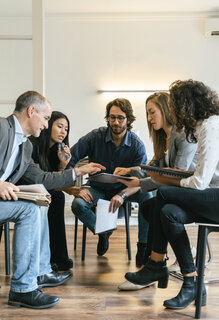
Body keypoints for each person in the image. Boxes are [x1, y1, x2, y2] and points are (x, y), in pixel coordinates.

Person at [0, 91, 105, 309]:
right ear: (31, 111)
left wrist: (77, 171)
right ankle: (23, 288)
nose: (47, 125)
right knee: (29, 210)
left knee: (38, 204)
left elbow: (41, 178)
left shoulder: (25, 146)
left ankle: (37, 274)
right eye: (46, 118)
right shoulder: (2, 128)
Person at [123, 79, 219, 310]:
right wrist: (167, 176)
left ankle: (156, 264)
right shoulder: (202, 126)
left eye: (174, 105)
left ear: (185, 105)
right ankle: (192, 283)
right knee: (164, 211)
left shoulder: (211, 126)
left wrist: (166, 179)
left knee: (164, 194)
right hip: (210, 192)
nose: (172, 111)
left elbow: (199, 181)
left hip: (215, 195)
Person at [115, 92, 197, 289]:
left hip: (193, 191)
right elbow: (152, 168)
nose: (149, 118)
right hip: (175, 193)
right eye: (147, 113)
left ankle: (155, 265)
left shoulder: (183, 135)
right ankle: (158, 263)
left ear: (167, 110)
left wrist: (139, 184)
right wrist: (130, 171)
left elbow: (176, 177)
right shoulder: (164, 138)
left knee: (159, 201)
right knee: (151, 208)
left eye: (152, 112)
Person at [70, 98, 151, 259]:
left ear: (128, 120)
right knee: (78, 204)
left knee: (147, 197)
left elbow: (142, 180)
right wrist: (74, 187)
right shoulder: (95, 136)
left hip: (124, 190)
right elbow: (70, 160)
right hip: (97, 188)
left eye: (120, 118)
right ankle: (104, 231)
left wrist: (122, 195)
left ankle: (143, 248)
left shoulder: (136, 145)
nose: (116, 122)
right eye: (112, 117)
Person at [29, 111, 74, 271]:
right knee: (56, 196)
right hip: (27, 188)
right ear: (48, 126)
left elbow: (57, 181)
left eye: (66, 129)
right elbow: (37, 179)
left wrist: (63, 163)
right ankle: (47, 258)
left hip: (44, 190)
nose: (63, 132)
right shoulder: (32, 144)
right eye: (60, 126)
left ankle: (58, 258)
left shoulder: (57, 150)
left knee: (58, 196)